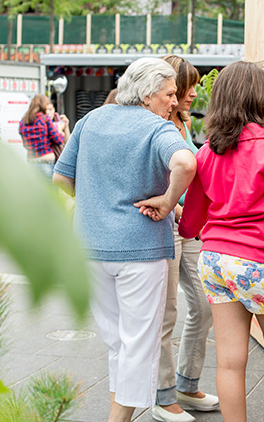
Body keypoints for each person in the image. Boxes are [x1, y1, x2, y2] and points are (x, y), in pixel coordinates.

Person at [52, 58, 197, 422]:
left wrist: (95, 202)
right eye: (168, 94)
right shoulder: (157, 128)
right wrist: (167, 202)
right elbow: (186, 164)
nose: (174, 102)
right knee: (138, 343)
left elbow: (60, 179)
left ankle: (119, 415)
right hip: (140, 249)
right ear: (147, 95)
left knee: (117, 341)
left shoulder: (91, 120)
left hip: (90, 246)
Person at [176, 61, 264, 422]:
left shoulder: (206, 153)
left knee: (230, 363)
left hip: (216, 261)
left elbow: (190, 225)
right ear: (259, 101)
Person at [152, 55, 217, 422]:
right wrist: (175, 206)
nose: (192, 93)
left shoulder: (181, 122)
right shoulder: (155, 123)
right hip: (166, 224)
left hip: (189, 224)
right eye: (186, 86)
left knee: (205, 306)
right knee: (166, 314)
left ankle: (187, 384)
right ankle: (162, 397)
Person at [19, 94, 68, 179]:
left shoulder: (23, 121)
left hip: (31, 162)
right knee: (49, 191)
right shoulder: (44, 119)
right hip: (46, 162)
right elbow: (59, 140)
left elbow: (25, 145)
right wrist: (60, 129)